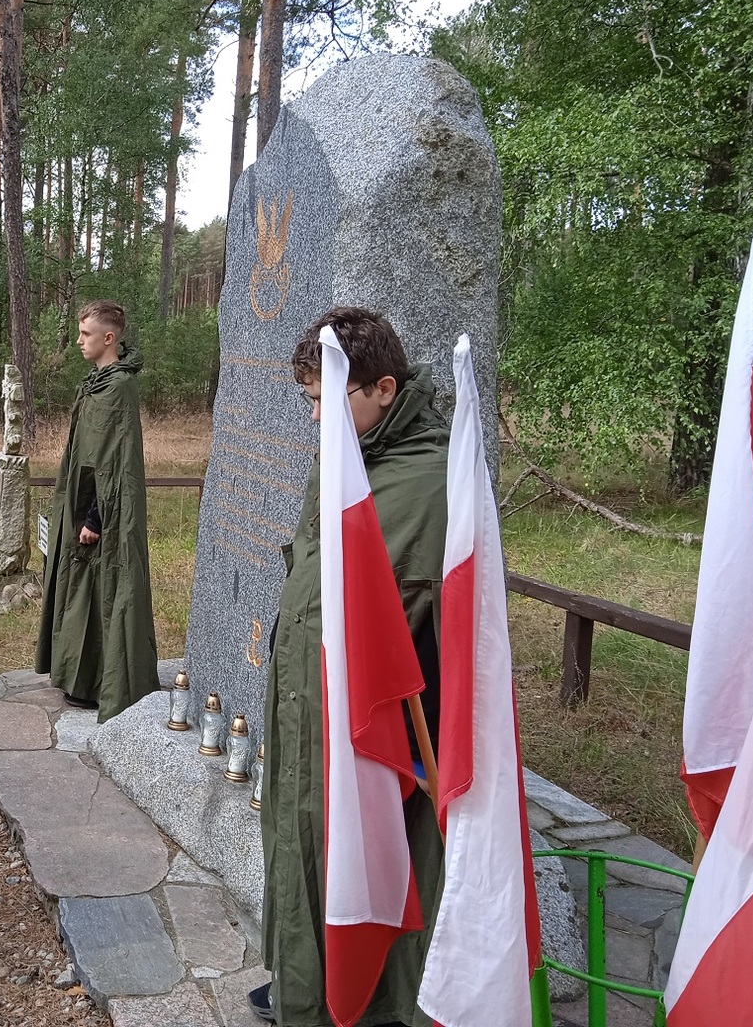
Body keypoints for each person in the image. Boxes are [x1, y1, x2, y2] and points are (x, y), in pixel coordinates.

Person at [251, 306, 447, 1027]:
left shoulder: (426, 482)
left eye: (327, 399)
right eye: (310, 400)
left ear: (385, 390)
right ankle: (307, 983)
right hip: (310, 697)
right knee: (301, 849)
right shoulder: (347, 453)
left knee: (354, 860)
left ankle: (362, 1003)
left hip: (370, 726)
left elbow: (417, 629)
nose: (314, 418)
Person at [34, 300, 159, 721]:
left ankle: (104, 683)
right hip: (83, 500)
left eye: (86, 334)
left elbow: (116, 464)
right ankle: (80, 678)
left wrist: (96, 518)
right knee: (81, 588)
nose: (78, 340)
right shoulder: (95, 383)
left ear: (109, 338)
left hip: (101, 508)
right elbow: (86, 454)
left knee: (105, 592)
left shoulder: (118, 389)